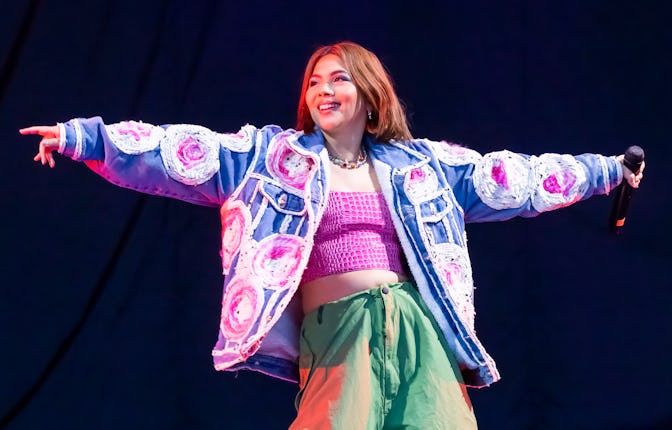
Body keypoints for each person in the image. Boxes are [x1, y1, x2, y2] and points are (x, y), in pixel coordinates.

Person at [21, 41, 643, 429]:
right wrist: (85, 138)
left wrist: (608, 172)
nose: (324, 90)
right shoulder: (272, 158)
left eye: (339, 79)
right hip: (337, 334)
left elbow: (518, 178)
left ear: (370, 95)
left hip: (417, 330)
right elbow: (182, 151)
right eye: (316, 81)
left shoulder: (420, 166)